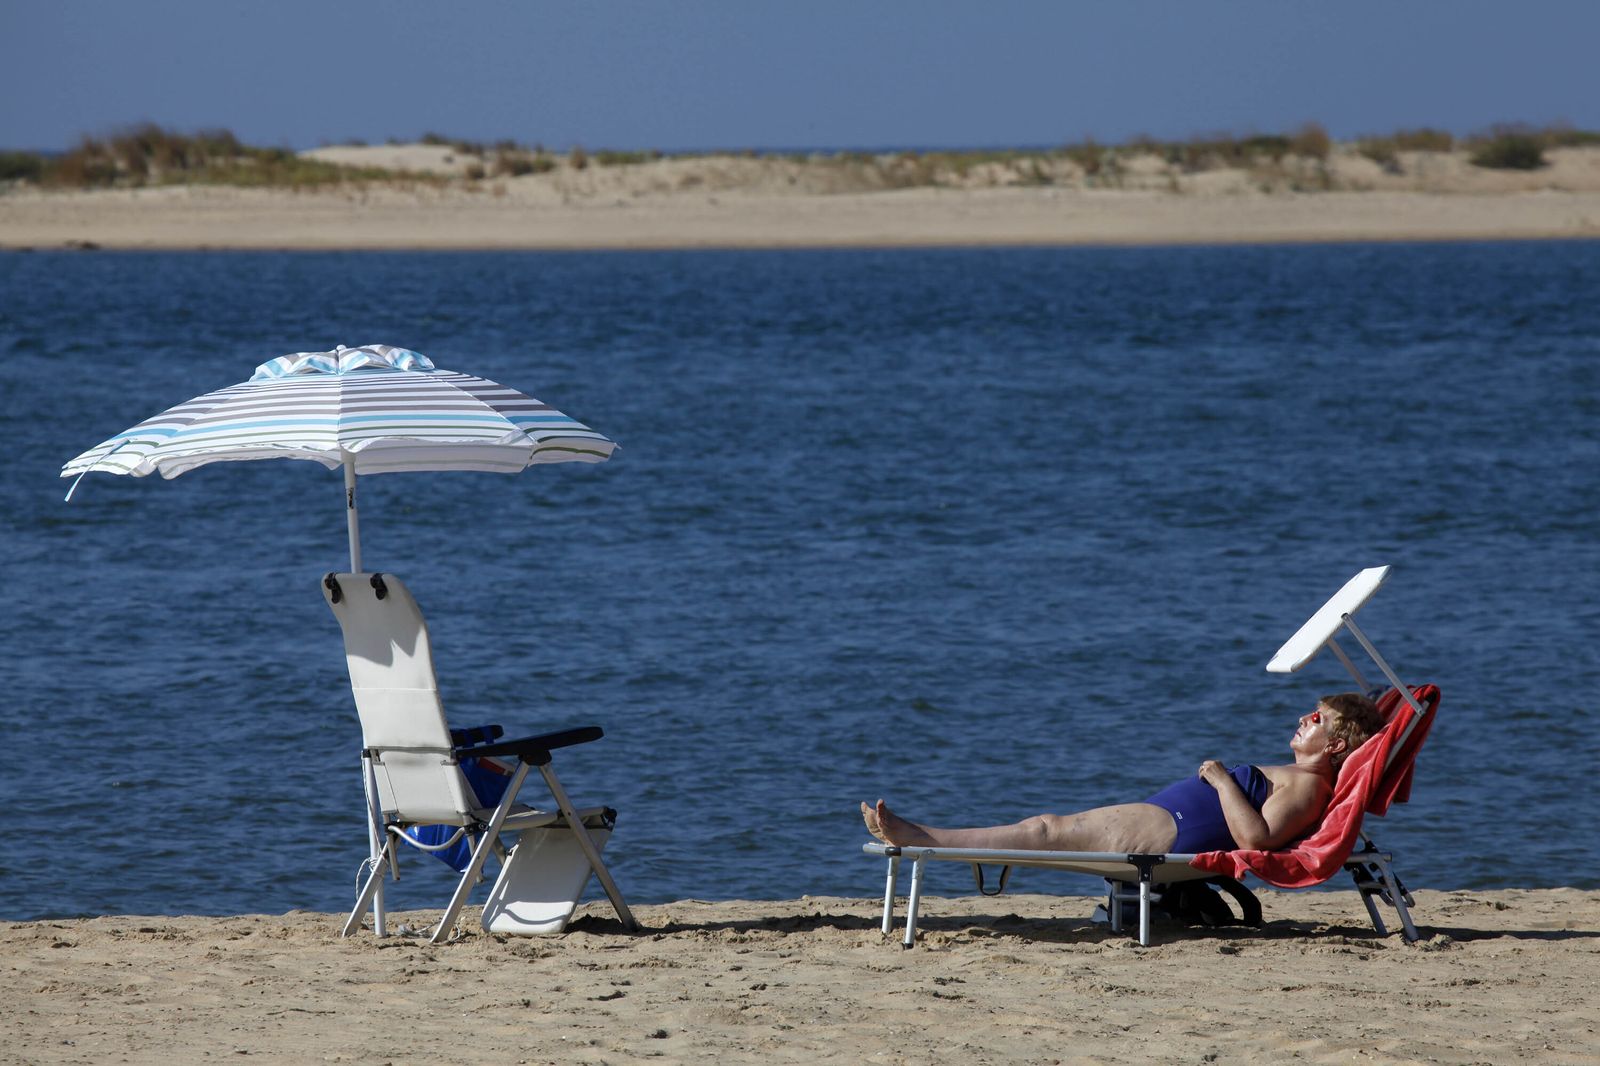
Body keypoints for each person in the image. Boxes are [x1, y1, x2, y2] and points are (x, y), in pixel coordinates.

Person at [863, 693, 1386, 855]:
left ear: (1336, 745)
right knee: (1045, 827)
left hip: (1176, 830)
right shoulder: (1301, 778)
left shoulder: (1309, 786)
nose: (1303, 718)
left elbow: (1258, 839)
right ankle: (922, 836)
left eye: (1316, 719)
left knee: (1045, 831)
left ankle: (921, 838)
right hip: (1176, 817)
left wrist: (1224, 780)